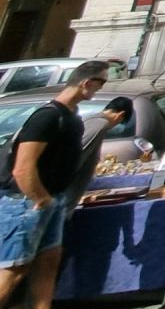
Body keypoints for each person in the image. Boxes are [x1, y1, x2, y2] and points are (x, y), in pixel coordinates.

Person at [0, 61, 110, 308]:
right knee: (15, 269)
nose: (100, 89)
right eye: (101, 82)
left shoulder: (72, 117)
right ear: (87, 82)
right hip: (26, 202)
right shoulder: (47, 117)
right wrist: (40, 198)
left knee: (48, 261)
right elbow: (23, 167)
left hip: (54, 199)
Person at [62, 97, 134, 211]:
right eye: (119, 122)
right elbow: (79, 153)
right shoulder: (100, 124)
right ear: (120, 115)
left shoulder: (91, 119)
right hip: (66, 192)